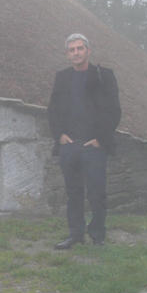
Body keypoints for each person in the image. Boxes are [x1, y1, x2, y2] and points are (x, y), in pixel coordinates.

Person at [48, 33, 121, 249]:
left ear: (88, 51)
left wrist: (101, 139)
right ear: (67, 54)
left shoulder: (104, 76)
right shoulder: (62, 77)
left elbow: (114, 110)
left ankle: (98, 235)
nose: (76, 53)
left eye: (80, 48)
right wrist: (59, 135)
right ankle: (75, 234)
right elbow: (53, 109)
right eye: (72, 50)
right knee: (73, 193)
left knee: (97, 193)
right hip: (70, 145)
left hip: (94, 146)